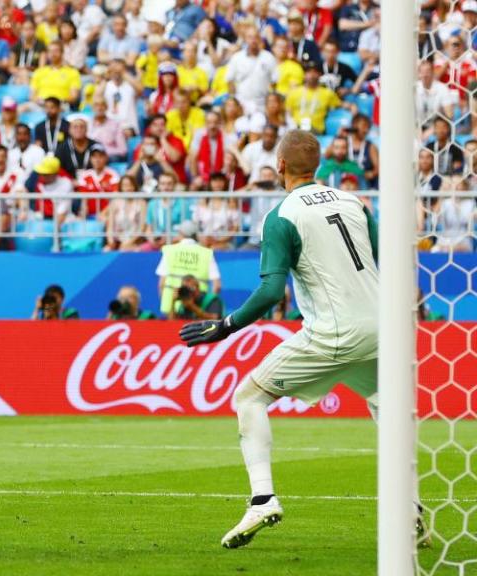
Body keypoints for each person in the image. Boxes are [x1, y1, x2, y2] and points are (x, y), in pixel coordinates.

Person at [177, 130, 429, 549]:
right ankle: (412, 511)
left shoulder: (282, 216)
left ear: (279, 166)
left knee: (248, 397)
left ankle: (262, 498)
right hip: (384, 327)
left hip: (335, 332)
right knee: (389, 412)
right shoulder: (353, 202)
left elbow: (272, 291)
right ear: (318, 166)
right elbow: (383, 257)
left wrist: (225, 326)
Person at [156, 220, 221, 318]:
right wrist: (209, 305)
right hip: (199, 305)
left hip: (172, 303)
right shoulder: (206, 253)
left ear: (181, 233)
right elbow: (217, 286)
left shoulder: (170, 250)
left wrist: (166, 303)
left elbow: (161, 284)